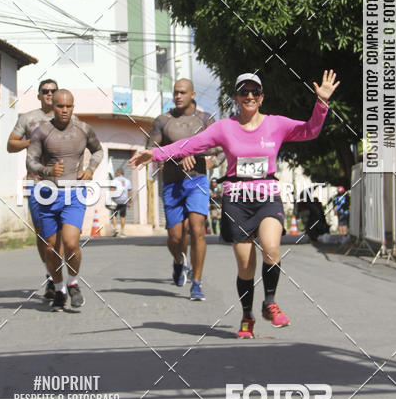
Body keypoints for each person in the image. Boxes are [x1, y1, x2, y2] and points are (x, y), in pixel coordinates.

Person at [131, 70, 339, 338]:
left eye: (255, 92)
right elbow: (190, 145)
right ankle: (247, 316)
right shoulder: (224, 128)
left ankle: (270, 302)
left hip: (266, 197)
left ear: (261, 98)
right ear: (236, 98)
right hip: (236, 200)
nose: (249, 96)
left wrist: (321, 104)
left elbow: (309, 131)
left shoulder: (276, 124)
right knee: (245, 267)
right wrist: (156, 153)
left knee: (272, 249)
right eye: (244, 92)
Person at [146, 78, 222, 302]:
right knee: (175, 236)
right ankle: (179, 261)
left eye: (182, 92)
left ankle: (197, 283)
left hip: (197, 181)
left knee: (198, 229)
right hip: (172, 183)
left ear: (193, 95)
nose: (178, 96)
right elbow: (151, 149)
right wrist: (181, 152)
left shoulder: (206, 119)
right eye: (175, 92)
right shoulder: (163, 120)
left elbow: (221, 150)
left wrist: (208, 163)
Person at [27, 89, 103, 312]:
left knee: (71, 243)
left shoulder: (83, 129)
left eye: (68, 106)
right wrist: (47, 169)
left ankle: (73, 283)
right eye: (60, 106)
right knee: (51, 249)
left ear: (73, 107)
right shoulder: (41, 131)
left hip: (74, 193)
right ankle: (59, 290)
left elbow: (98, 151)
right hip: (48, 193)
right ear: (54, 107)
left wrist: (90, 169)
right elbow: (30, 161)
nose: (64, 110)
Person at [7, 79, 60, 299]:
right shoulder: (28, 118)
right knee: (41, 234)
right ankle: (51, 274)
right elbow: (11, 145)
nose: (49, 94)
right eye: (45, 91)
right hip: (37, 182)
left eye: (53, 91)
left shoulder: (66, 117)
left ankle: (59, 277)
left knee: (61, 234)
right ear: (38, 95)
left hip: (63, 183)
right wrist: (32, 141)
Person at [109, 168, 132, 236]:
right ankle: (122, 232)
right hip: (124, 200)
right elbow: (129, 192)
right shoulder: (127, 181)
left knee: (114, 215)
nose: (116, 174)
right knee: (122, 216)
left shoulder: (114, 180)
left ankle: (115, 228)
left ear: (119, 173)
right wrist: (129, 202)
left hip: (116, 200)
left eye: (116, 173)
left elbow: (112, 190)